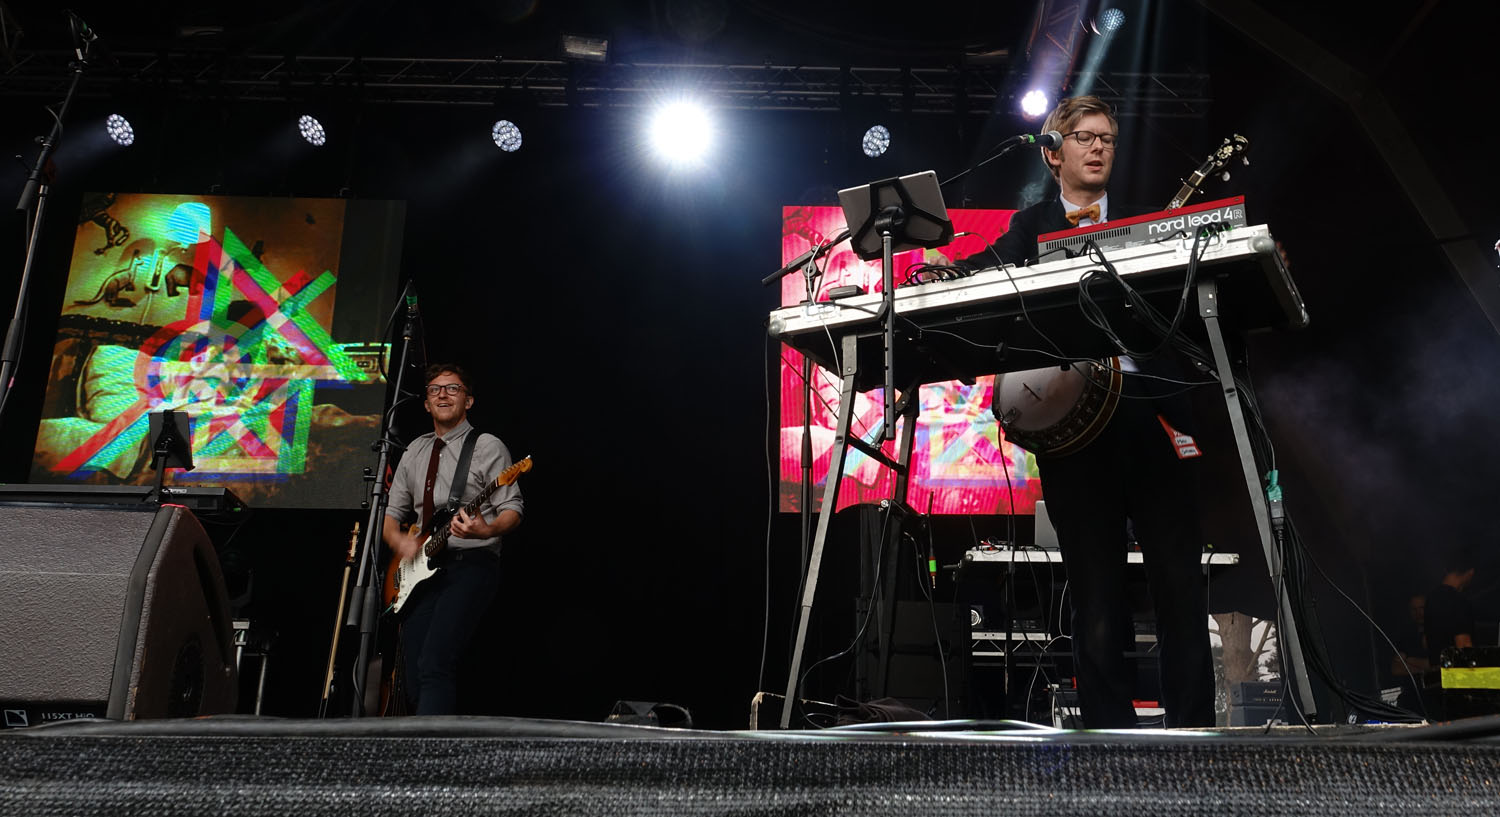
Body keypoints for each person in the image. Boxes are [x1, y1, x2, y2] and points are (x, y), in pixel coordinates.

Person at [961, 95, 1216, 728]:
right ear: (1053, 154)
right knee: (1095, 591)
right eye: (1084, 138)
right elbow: (984, 271)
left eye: (1107, 138)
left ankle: (1196, 734)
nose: (1099, 147)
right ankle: (1109, 738)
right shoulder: (1032, 225)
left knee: (1180, 586)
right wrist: (933, 275)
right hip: (1076, 434)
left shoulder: (1148, 219)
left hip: (1155, 413)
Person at [382, 363, 524, 715]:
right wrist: (401, 544)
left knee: (434, 662)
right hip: (420, 573)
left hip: (470, 565)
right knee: (413, 672)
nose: (443, 394)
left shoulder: (487, 446)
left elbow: (512, 508)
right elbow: (390, 517)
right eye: (435, 390)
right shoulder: (414, 449)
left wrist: (485, 529)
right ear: (427, 404)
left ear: (469, 401)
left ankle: (430, 758)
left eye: (453, 388)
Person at [1425, 552, 1477, 667]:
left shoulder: (1431, 598)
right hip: (1458, 678)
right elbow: (1464, 646)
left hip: (1438, 676)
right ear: (1470, 572)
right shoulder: (1458, 601)